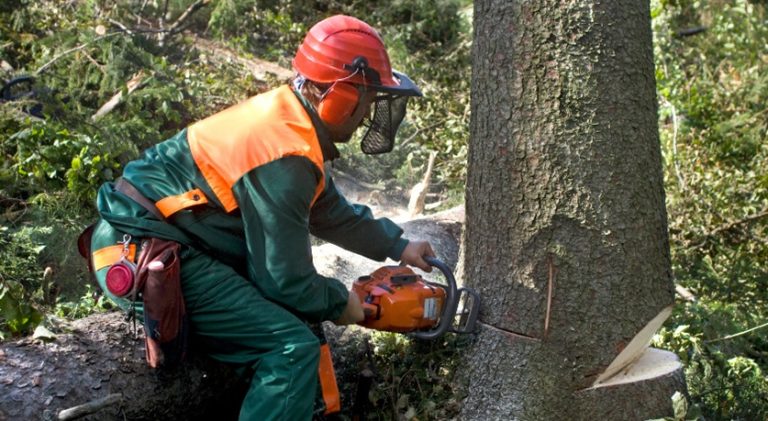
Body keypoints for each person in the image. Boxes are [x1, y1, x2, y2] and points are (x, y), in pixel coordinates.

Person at [83, 14, 435, 420]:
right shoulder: (285, 154)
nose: (368, 115)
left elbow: (329, 212)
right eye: (368, 100)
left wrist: (399, 245)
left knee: (296, 327)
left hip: (170, 240)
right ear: (340, 95)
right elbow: (285, 281)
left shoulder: (290, 124)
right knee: (289, 350)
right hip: (145, 251)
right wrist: (348, 305)